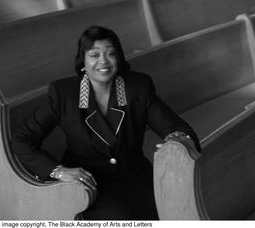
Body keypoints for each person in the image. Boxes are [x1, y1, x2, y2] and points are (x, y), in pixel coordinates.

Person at [11, 25, 201, 220]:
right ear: (82, 61)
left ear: (118, 58)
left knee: (173, 209)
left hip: (133, 176)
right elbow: (21, 139)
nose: (103, 61)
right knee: (120, 217)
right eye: (94, 55)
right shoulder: (64, 93)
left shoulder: (138, 87)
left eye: (111, 54)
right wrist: (57, 171)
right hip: (87, 183)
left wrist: (176, 144)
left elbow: (176, 128)